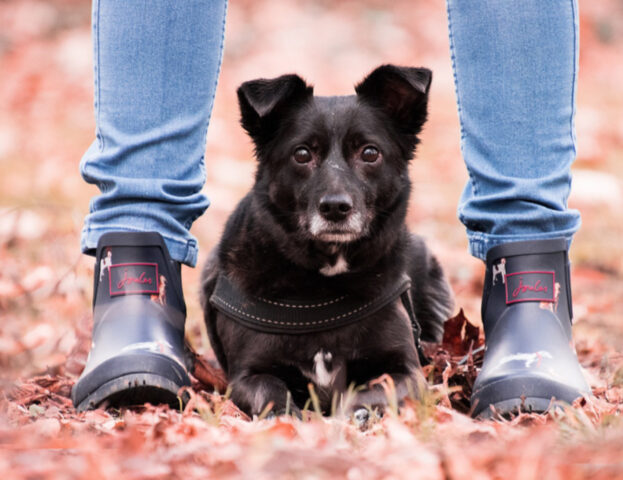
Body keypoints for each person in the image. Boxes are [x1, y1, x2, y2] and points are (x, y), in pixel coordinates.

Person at [72, 0, 589, 417]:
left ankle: (531, 284)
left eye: (368, 155)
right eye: (304, 155)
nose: (336, 193)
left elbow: (404, 377)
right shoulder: (243, 266)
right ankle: (135, 275)